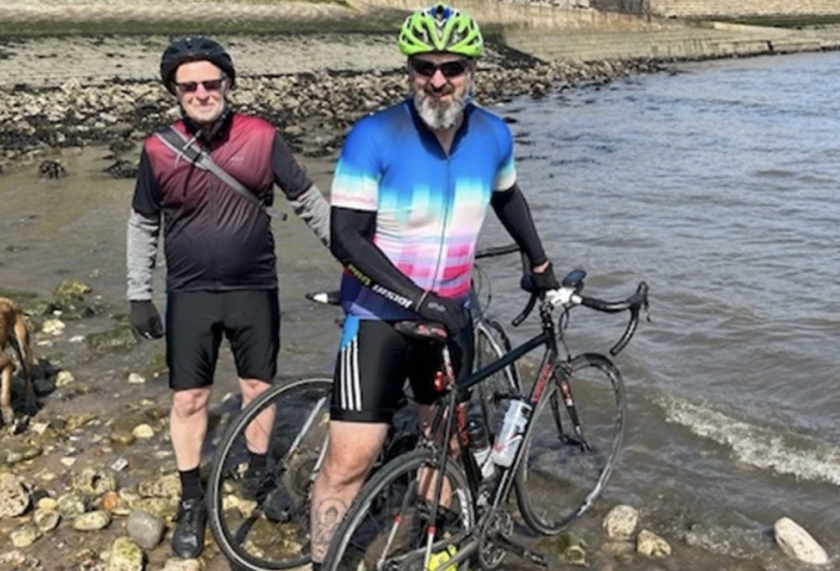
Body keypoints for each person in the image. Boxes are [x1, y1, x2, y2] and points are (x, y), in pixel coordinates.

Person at [309, 4, 559, 568]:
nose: (438, 80)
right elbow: (346, 237)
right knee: (351, 460)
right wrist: (417, 299)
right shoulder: (374, 135)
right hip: (379, 319)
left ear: (473, 68)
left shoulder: (493, 134)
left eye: (451, 67)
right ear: (410, 68)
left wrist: (539, 265)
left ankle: (436, 547)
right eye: (425, 67)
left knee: (443, 442)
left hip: (452, 316)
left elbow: (507, 198)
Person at [125, 35, 331, 559]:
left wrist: (359, 262)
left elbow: (309, 203)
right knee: (189, 398)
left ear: (228, 84)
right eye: (188, 85)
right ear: (174, 91)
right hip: (190, 292)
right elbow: (143, 222)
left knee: (258, 387)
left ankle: (258, 474)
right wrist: (138, 293)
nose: (200, 92)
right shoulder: (157, 148)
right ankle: (192, 497)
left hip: (253, 287)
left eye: (210, 83)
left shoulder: (262, 137)